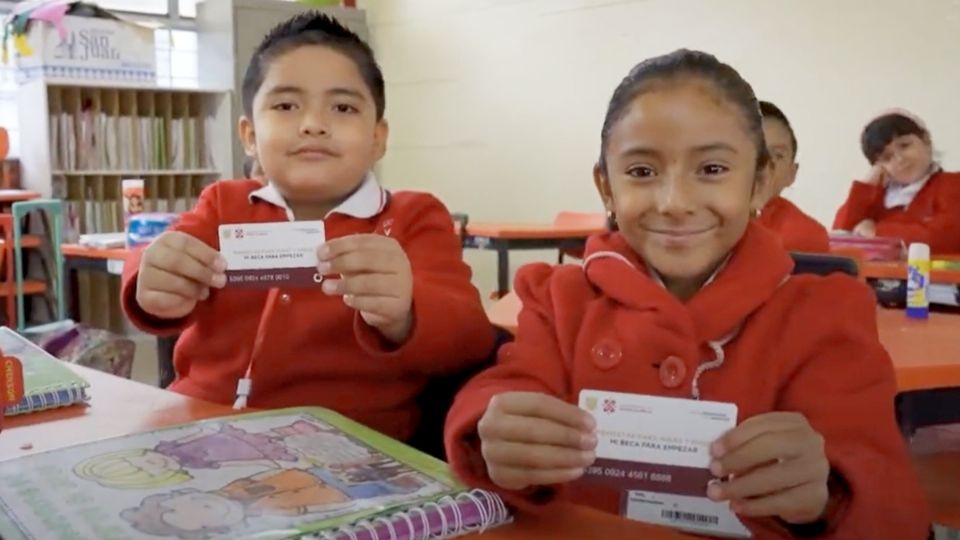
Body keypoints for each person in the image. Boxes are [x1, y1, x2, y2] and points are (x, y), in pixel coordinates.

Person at [444, 50, 930, 538]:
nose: (675, 203)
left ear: (760, 183)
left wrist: (826, 495)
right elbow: (509, 384)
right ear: (605, 188)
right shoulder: (557, 297)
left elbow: (888, 500)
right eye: (641, 172)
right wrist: (497, 430)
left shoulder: (825, 312)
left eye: (713, 169)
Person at [121, 12, 495, 442]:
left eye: (343, 107)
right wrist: (150, 277)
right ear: (249, 135)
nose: (313, 123)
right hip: (200, 432)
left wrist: (407, 311)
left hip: (349, 453)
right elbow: (160, 258)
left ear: (377, 138)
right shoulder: (223, 204)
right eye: (285, 105)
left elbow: (472, 337)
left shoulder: (413, 218)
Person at [833, 109, 960, 254]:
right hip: (881, 275)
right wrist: (865, 187)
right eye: (887, 157)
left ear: (926, 140)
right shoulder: (878, 197)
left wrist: (877, 231)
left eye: (905, 146)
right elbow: (841, 234)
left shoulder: (952, 184)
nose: (900, 159)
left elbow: (944, 237)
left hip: (935, 275)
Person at [756, 101, 830, 253]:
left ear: (792, 173)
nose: (764, 164)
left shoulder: (805, 235)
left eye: (777, 155)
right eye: (752, 149)